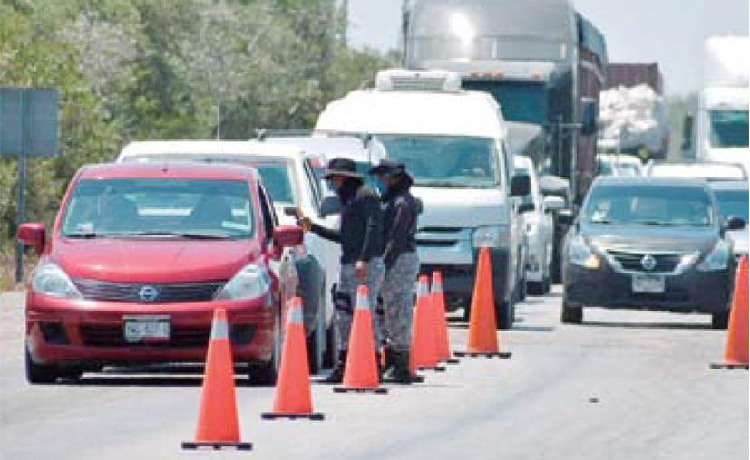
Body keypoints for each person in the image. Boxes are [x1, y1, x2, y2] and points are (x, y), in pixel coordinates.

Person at [298, 158, 385, 383]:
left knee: (366, 313)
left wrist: (363, 259)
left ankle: (374, 361)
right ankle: (345, 362)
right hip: (348, 263)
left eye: (335, 178)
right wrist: (314, 228)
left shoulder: (366, 196)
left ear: (345, 177)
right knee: (344, 314)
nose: (333, 183)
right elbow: (345, 238)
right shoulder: (347, 200)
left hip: (364, 264)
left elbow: (373, 228)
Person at [369, 159, 421, 384]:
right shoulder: (391, 201)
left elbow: (397, 238)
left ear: (395, 178)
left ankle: (401, 364)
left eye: (384, 176)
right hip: (392, 259)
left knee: (398, 310)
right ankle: (390, 359)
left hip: (399, 260)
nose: (380, 181)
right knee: (386, 310)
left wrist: (384, 264)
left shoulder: (403, 203)